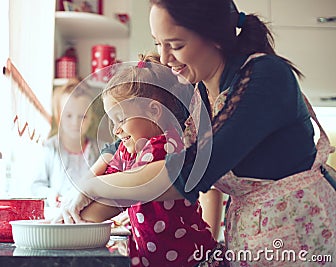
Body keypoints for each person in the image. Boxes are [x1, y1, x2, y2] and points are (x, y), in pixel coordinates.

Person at [57, 0, 336, 266]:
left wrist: (90, 187)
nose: (165, 59)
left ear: (214, 36)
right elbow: (125, 146)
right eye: (158, 44)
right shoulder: (198, 88)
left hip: (301, 235)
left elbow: (187, 173)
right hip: (254, 237)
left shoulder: (265, 78)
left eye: (176, 45)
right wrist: (76, 208)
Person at [76, 53, 226, 267]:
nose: (116, 130)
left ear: (154, 111)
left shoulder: (167, 146)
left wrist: (87, 195)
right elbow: (110, 187)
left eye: (121, 119)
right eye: (112, 122)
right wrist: (76, 211)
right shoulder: (130, 151)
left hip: (191, 260)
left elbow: (119, 189)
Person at [31, 78, 100, 207]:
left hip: (90, 219)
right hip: (57, 217)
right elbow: (36, 186)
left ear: (91, 118)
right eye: (68, 116)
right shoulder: (50, 148)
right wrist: (50, 195)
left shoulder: (100, 150)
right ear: (59, 116)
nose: (75, 123)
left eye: (83, 116)